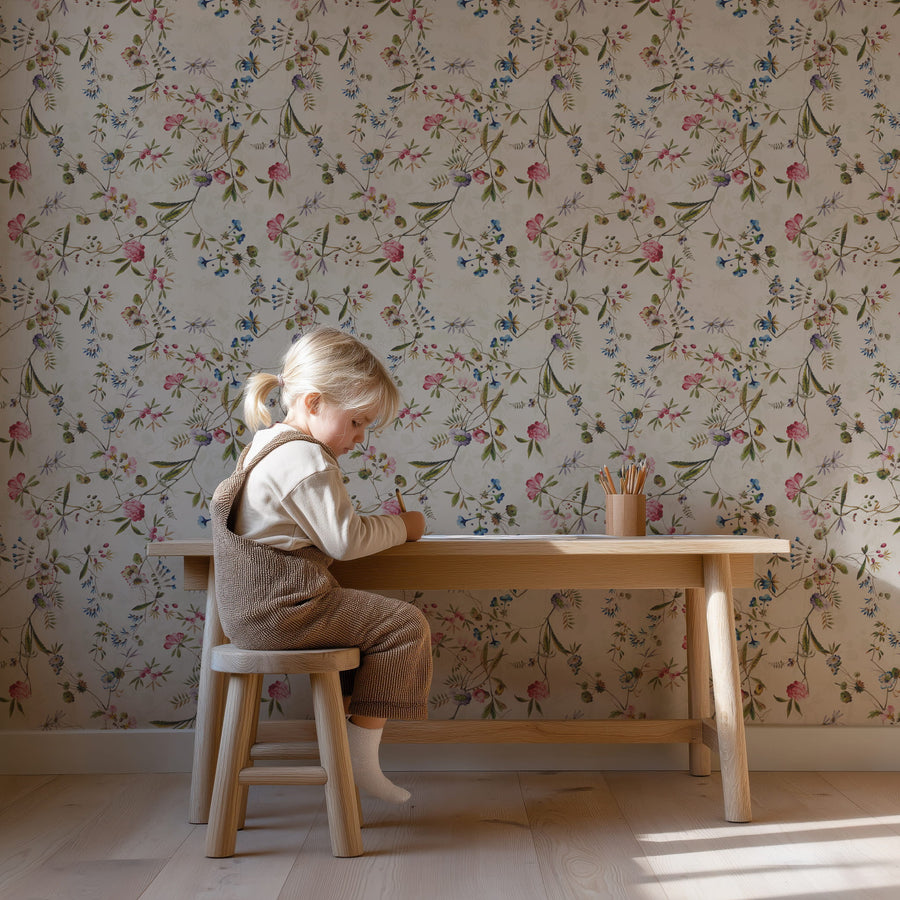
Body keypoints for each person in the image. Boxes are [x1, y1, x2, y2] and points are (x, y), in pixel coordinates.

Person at [210, 327, 432, 803]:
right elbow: (346, 540)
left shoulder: (265, 446)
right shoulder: (307, 459)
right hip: (286, 611)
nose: (360, 438)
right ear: (313, 403)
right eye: (357, 422)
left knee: (371, 627)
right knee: (404, 626)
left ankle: (351, 745)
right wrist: (404, 527)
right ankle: (358, 758)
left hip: (249, 615)